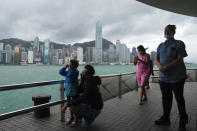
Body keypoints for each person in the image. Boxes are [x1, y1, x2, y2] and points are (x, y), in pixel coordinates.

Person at [155, 24, 188, 130]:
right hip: (163, 78)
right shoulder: (160, 45)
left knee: (179, 98)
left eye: (169, 30)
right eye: (165, 30)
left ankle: (183, 120)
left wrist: (167, 67)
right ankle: (165, 118)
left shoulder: (179, 43)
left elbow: (179, 58)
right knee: (166, 98)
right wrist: (160, 67)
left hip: (177, 77)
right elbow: (156, 59)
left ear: (174, 32)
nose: (166, 32)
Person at [59, 59, 80, 127]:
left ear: (74, 66)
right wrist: (65, 67)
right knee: (71, 107)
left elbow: (71, 75)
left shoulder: (75, 72)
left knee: (74, 107)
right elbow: (60, 72)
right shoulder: (69, 71)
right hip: (68, 92)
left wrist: (69, 67)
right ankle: (72, 117)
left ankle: (77, 119)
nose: (69, 65)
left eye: (70, 64)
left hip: (74, 92)